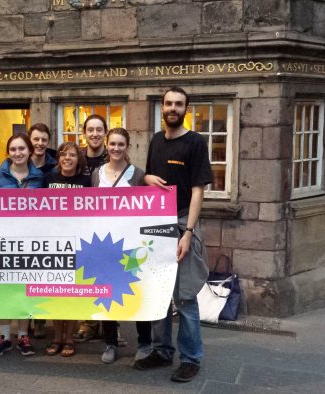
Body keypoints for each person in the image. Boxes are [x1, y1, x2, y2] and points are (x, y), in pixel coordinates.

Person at [133, 87, 213, 383]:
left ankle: (191, 358)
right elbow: (151, 179)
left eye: (179, 104)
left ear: (186, 109)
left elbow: (198, 190)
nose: (173, 108)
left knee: (185, 296)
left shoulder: (195, 143)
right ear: (162, 108)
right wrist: (146, 177)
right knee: (159, 292)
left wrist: (189, 232)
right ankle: (162, 351)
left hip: (181, 224)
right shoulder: (156, 140)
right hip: (156, 224)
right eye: (168, 103)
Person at [89, 128, 151, 364]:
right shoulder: (97, 174)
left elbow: (147, 208)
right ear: (107, 144)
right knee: (107, 293)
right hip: (105, 245)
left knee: (137, 290)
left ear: (128, 147)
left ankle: (144, 342)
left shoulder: (137, 175)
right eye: (112, 144)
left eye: (121, 144)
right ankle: (111, 343)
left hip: (131, 243)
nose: (116, 148)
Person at [0, 133, 44, 356]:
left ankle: (22, 336)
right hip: (2, 240)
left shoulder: (39, 177)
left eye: (22, 149)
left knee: (25, 288)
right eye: (13, 149)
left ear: (30, 151)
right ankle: (3, 336)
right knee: (3, 287)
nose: (18, 153)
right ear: (8, 152)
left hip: (30, 242)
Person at [44, 142, 90, 357]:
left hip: (78, 244)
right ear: (58, 159)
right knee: (55, 293)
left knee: (72, 293)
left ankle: (69, 338)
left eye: (72, 155)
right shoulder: (48, 180)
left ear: (78, 159)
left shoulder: (86, 182)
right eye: (63, 155)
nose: (67, 158)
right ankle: (56, 337)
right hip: (53, 243)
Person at [73, 114, 110, 343]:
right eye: (90, 130)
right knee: (86, 276)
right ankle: (88, 322)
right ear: (84, 133)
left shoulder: (114, 155)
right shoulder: (78, 159)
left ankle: (110, 325)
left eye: (99, 129)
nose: (95, 134)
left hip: (107, 227)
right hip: (82, 226)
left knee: (107, 276)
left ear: (105, 133)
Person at [27, 123, 56, 339]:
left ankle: (39, 319)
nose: (39, 143)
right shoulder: (15, 161)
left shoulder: (55, 165)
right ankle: (23, 320)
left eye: (43, 139)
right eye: (36, 139)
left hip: (48, 227)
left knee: (42, 273)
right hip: (24, 227)